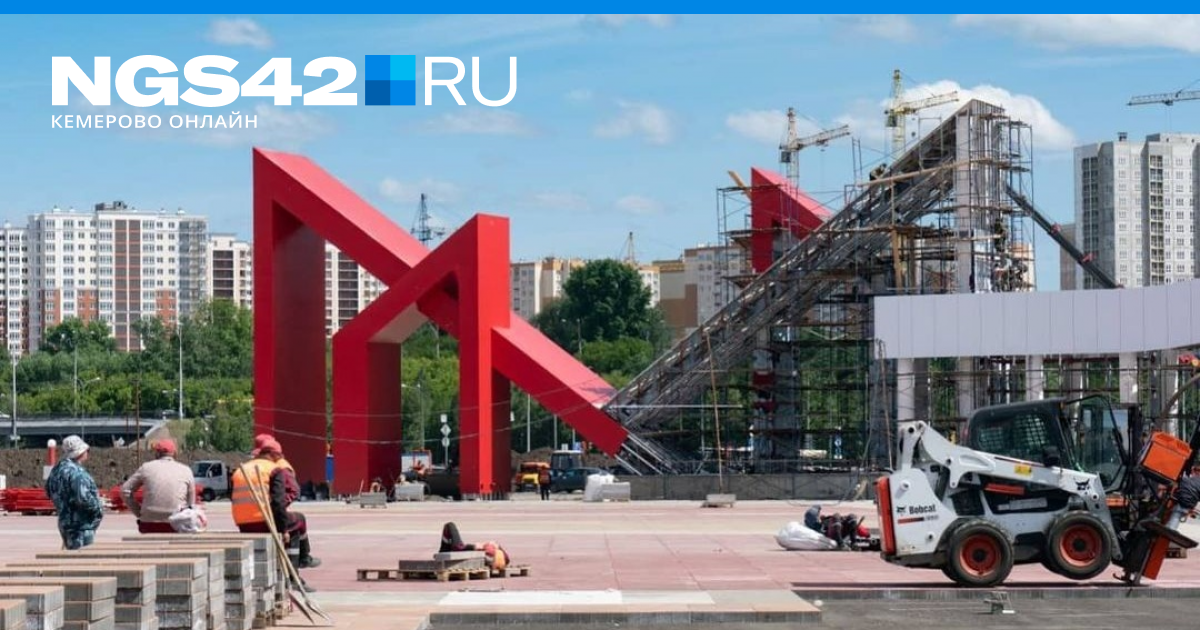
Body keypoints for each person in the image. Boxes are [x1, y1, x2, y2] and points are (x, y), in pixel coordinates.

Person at [231, 438, 321, 569]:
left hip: (242, 524)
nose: (279, 460)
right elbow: (278, 502)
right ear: (272, 454)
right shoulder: (274, 469)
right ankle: (297, 567)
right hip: (264, 521)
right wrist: (283, 530)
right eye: (278, 456)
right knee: (298, 521)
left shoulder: (240, 470)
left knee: (286, 520)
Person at [121, 439, 196, 533]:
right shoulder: (186, 470)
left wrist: (139, 512)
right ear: (174, 453)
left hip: (149, 523)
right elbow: (191, 505)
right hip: (176, 524)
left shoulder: (146, 468)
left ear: (157, 453)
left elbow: (125, 490)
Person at [45, 435, 104, 550]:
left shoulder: (56, 471)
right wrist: (98, 508)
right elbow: (83, 498)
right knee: (82, 556)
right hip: (81, 525)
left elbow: (48, 491)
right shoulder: (77, 473)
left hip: (65, 521)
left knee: (71, 553)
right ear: (80, 452)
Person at [439, 521, 510, 571]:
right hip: (453, 551)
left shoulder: (490, 552)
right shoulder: (501, 558)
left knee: (450, 525)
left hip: (459, 549)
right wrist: (497, 546)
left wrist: (478, 546)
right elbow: (506, 559)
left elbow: (483, 549)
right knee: (449, 528)